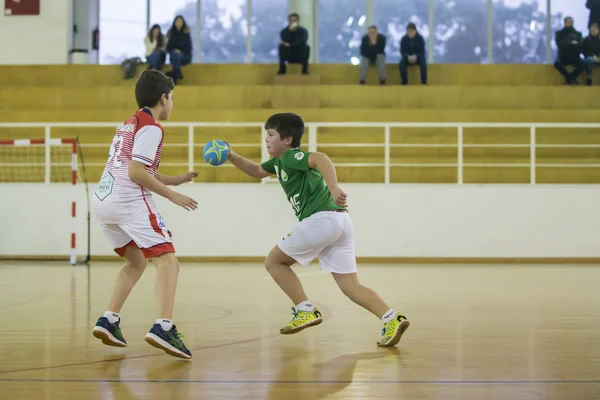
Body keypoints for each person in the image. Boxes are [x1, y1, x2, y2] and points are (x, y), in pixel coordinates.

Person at [226, 113, 410, 347]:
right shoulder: (278, 162)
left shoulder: (292, 157)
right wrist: (230, 155)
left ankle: (305, 309)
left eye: (271, 135)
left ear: (287, 140)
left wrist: (334, 188)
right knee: (350, 286)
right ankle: (392, 318)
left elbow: (320, 158)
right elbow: (254, 170)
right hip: (341, 222)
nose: (266, 140)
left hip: (321, 219)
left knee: (274, 262)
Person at [91, 70, 199, 360]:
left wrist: (175, 180)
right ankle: (164, 326)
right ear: (163, 98)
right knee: (167, 260)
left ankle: (109, 320)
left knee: (136, 262)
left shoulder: (128, 124)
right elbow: (136, 172)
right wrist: (172, 196)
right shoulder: (152, 128)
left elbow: (136, 166)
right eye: (172, 97)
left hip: (103, 200)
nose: (172, 103)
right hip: (128, 201)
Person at [553, 17, 586, 85]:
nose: (570, 24)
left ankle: (570, 78)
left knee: (583, 64)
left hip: (574, 57)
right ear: (565, 23)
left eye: (571, 22)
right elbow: (559, 45)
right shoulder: (559, 33)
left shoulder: (578, 34)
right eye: (568, 22)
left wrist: (567, 44)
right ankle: (571, 79)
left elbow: (580, 45)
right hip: (563, 56)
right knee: (557, 63)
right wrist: (571, 43)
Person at [166, 15, 192, 84]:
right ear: (174, 23)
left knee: (176, 55)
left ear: (183, 23)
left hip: (184, 57)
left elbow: (189, 48)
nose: (179, 23)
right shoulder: (171, 34)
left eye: (180, 21)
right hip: (174, 57)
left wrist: (181, 53)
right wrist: (176, 51)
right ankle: (177, 72)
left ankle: (175, 72)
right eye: (177, 21)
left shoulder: (186, 34)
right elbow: (168, 48)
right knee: (174, 54)